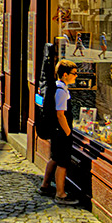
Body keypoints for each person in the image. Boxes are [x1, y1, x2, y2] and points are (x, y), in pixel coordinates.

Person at [40, 59, 78, 205]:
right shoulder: (61, 92)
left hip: (56, 132)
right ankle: (60, 194)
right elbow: (60, 114)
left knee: (54, 158)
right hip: (62, 132)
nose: (76, 76)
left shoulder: (56, 87)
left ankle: (45, 186)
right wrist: (68, 132)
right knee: (62, 162)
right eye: (74, 74)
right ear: (64, 75)